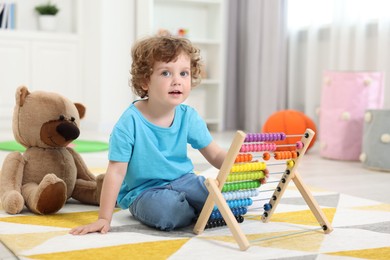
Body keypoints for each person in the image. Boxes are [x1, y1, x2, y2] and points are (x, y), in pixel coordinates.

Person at [70, 35, 227, 235]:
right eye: (166, 73)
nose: (177, 81)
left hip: (183, 180)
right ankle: (194, 210)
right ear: (145, 81)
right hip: (144, 191)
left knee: (221, 199)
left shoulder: (189, 117)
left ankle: (197, 207)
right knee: (168, 212)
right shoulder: (129, 123)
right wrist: (104, 218)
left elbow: (214, 154)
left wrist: (240, 165)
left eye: (184, 73)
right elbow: (116, 172)